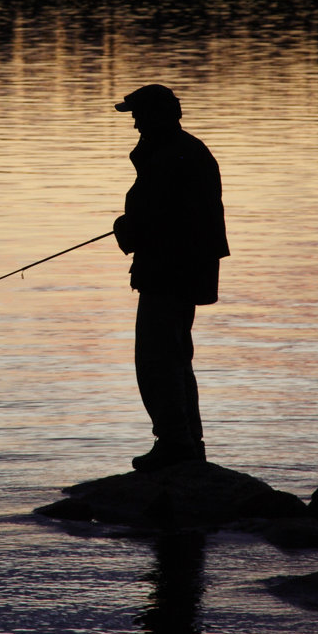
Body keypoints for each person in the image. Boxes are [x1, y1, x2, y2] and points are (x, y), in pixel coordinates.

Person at [112, 85, 229, 472]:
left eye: (139, 115)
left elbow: (157, 218)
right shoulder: (182, 151)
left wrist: (124, 229)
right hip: (183, 270)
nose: (134, 123)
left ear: (158, 115)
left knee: (157, 358)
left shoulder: (171, 156)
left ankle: (176, 443)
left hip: (169, 271)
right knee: (175, 357)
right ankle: (187, 442)